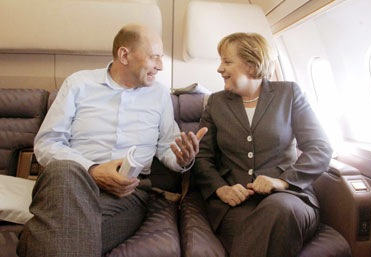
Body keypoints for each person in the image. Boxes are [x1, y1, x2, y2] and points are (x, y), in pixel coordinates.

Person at [17, 23, 207, 257]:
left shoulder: (159, 94)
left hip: (127, 193)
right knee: (64, 170)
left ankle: (33, 239)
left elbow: (166, 147)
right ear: (124, 55)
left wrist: (182, 159)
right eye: (154, 57)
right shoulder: (79, 84)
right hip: (70, 183)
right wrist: (93, 170)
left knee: (53, 234)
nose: (160, 66)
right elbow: (46, 144)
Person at [194, 32, 333, 257]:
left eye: (227, 61)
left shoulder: (289, 93)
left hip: (290, 198)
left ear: (251, 65)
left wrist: (282, 182)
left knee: (279, 211)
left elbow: (320, 148)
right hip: (237, 203)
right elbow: (202, 157)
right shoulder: (216, 103)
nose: (219, 69)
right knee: (257, 231)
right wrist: (221, 188)